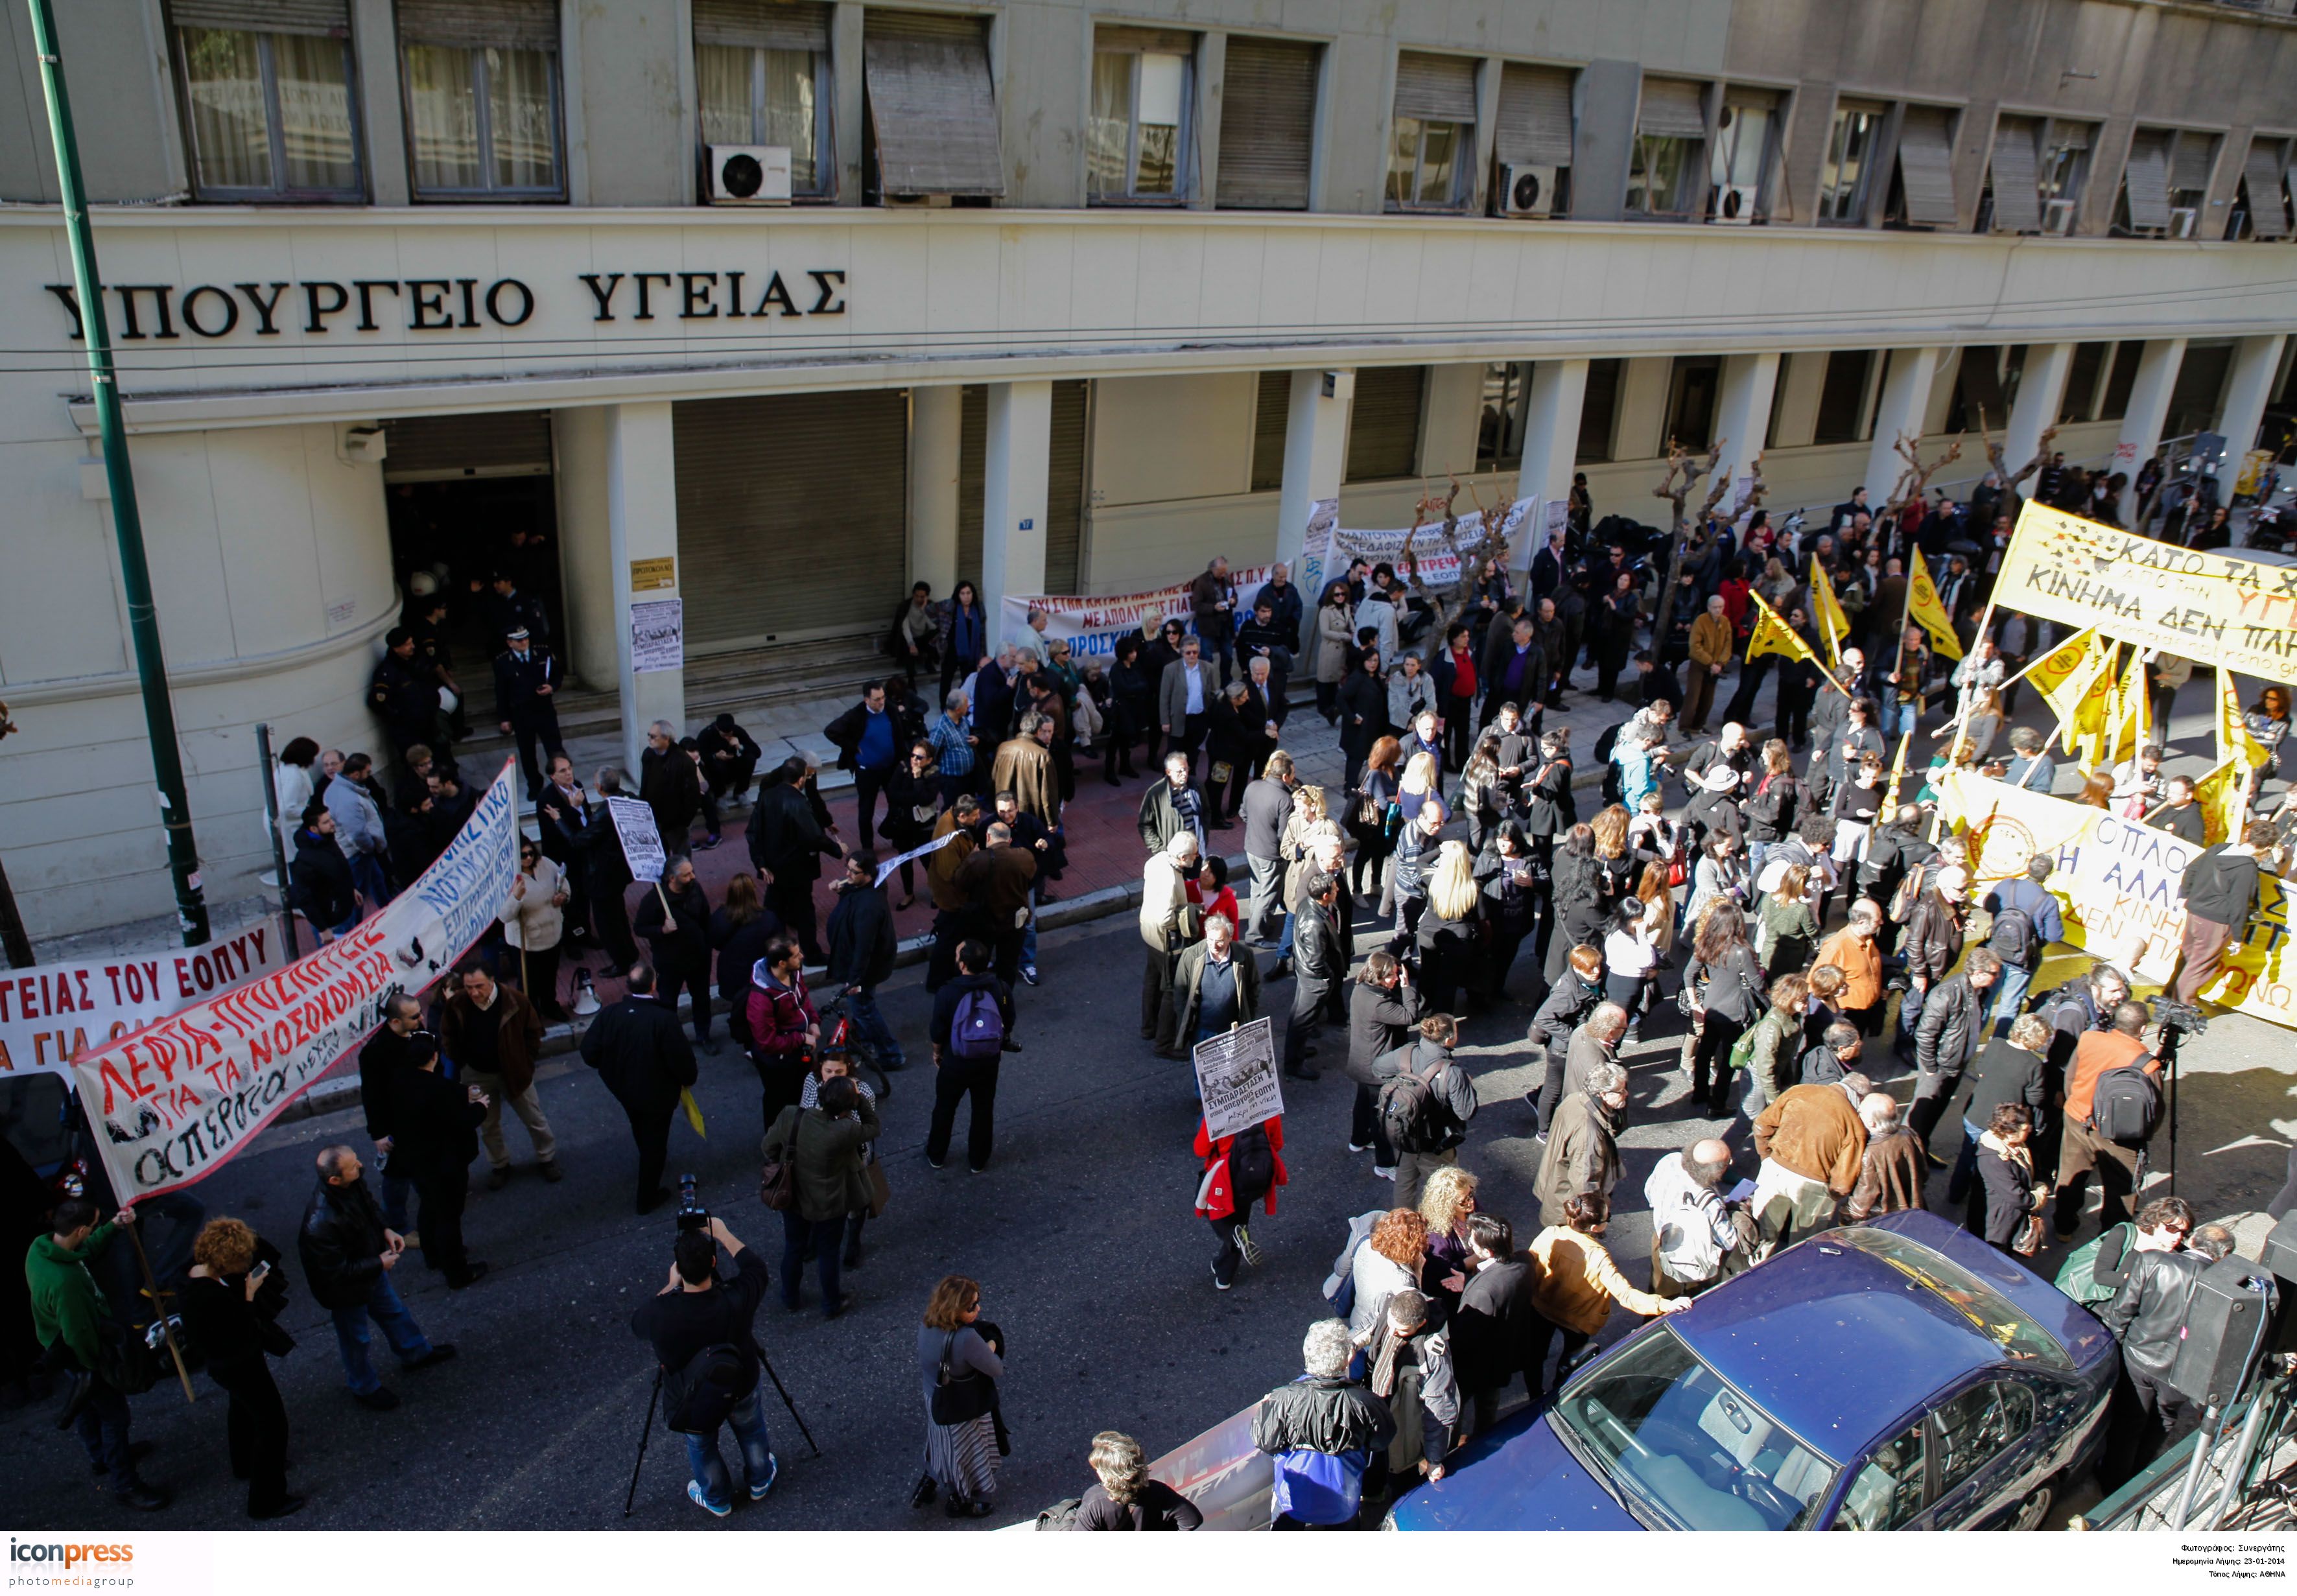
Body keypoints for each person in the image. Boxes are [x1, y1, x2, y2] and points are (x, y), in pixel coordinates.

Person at [630, 1215, 778, 1518]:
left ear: (679, 1270)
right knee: (751, 1429)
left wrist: (671, 1286)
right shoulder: (736, 1297)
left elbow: (638, 1323)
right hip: (741, 1379)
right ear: (713, 1262)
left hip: (692, 1393)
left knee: (701, 1444)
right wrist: (722, 1233)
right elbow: (757, 1269)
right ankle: (760, 1479)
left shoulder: (663, 1313)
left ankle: (717, 1498)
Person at [27, 1198, 169, 1509]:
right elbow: (79, 1334)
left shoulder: (42, 1249)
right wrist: (99, 1369)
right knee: (115, 1418)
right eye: (92, 1227)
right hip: (83, 1356)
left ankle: (100, 1456)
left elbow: (83, 1253)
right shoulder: (67, 1282)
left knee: (86, 1408)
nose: (93, 1232)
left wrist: (113, 1227)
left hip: (58, 1349)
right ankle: (126, 1484)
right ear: (79, 1230)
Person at [297, 1146, 454, 1411]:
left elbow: (369, 1206)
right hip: (345, 1289)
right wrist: (379, 1262)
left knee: (393, 1311)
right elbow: (337, 1272)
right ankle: (363, 1386)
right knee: (356, 1338)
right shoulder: (320, 1224)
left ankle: (415, 1353)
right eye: (352, 1166)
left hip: (367, 1269)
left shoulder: (349, 1185)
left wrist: (385, 1229)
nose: (360, 1166)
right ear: (334, 1180)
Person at [2099, 1210, 2236, 1487]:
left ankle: (2111, 1479)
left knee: (2129, 1420)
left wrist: (2115, 1344)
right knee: (2163, 1420)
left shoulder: (2152, 1261)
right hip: (2179, 1372)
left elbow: (2122, 1310)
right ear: (2223, 1257)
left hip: (2137, 1357)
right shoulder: (2227, 1292)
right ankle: (2135, 1475)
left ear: (2194, 1240)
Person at [180, 1217, 300, 1520]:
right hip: (238, 1364)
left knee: (242, 1409)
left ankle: (243, 1463)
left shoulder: (194, 1276)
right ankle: (266, 1501)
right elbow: (241, 1331)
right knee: (273, 1426)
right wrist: (248, 1295)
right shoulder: (211, 1297)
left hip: (225, 1366)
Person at [1526, 1193, 1687, 1400]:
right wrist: (1665, 1304)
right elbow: (1626, 1295)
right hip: (1578, 1318)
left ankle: (1534, 1394)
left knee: (1534, 1356)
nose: (1609, 1220)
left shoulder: (1550, 1235)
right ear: (1595, 1228)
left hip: (1541, 1307)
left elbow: (1530, 1268)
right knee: (1573, 1359)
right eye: (1608, 1218)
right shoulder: (1598, 1256)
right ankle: (1559, 1394)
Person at [1253, 1319, 1395, 1530]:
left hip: (1293, 1496)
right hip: (1342, 1497)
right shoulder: (1366, 1402)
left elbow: (1265, 1442)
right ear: (1349, 1357)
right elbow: (1382, 1439)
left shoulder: (1282, 1399)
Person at [580, 963, 699, 1214]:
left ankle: (646, 1154)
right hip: (658, 1095)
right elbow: (681, 1061)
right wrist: (687, 1079)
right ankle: (647, 1197)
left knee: (640, 1125)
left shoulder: (611, 1014)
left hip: (624, 1089)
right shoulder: (663, 1019)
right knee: (656, 1141)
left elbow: (590, 1053)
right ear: (653, 986)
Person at [762, 1073, 877, 1319]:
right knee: (828, 1252)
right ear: (849, 1106)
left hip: (792, 1195)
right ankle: (831, 1304)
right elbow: (873, 1127)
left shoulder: (791, 1115)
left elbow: (768, 1147)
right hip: (830, 1203)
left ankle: (790, 1298)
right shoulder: (845, 1129)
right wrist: (861, 1100)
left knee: (794, 1247)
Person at [440, 963, 561, 1189]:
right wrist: (460, 1060)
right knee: (488, 1124)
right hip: (476, 1074)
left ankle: (547, 1157)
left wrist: (525, 1063)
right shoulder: (457, 1004)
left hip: (514, 1072)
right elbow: (448, 1035)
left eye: (479, 986)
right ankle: (500, 1164)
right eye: (468, 987)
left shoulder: (516, 1001)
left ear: (492, 981)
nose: (474, 993)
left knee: (534, 1119)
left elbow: (533, 1034)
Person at [386, 1030, 491, 1288]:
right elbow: (461, 1122)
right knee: (449, 1217)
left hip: (415, 1161)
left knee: (428, 1206)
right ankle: (457, 1272)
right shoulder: (440, 1089)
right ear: (435, 1057)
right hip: (445, 1165)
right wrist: (481, 1107)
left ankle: (432, 1255)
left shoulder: (398, 1082)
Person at [2053, 1001, 2163, 1240]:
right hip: (2119, 1136)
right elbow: (2154, 1111)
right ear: (2143, 1029)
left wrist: (2077, 1105)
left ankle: (2064, 1227)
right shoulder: (2148, 1064)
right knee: (2121, 1192)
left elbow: (2070, 1078)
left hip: (2077, 1119)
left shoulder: (2089, 1039)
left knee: (2071, 1175)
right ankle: (2110, 1240)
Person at [1749, 1074, 1874, 1253]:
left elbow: (1762, 1126)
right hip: (1814, 1185)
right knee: (1803, 1244)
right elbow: (1844, 1180)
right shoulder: (1854, 1125)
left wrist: (1766, 1158)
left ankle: (1749, 1272)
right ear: (1859, 1097)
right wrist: (1833, 1195)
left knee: (1762, 1233)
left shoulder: (1799, 1091)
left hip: (1774, 1168)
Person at [914, 1275, 1006, 1518]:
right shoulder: (966, 1339)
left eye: (978, 1302)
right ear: (955, 1309)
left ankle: (933, 1477)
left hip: (936, 1399)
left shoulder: (927, 1324)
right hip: (963, 1409)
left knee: (943, 1446)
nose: (979, 1308)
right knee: (969, 1456)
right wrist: (991, 1346)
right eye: (972, 1306)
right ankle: (966, 1499)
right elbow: (995, 1368)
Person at [1358, 1286, 1462, 1491]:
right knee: (1376, 1458)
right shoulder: (1388, 1305)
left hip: (1403, 1422)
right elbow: (1368, 1326)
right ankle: (1373, 1491)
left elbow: (1439, 1412)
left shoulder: (1433, 1356)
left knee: (1400, 1474)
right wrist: (1349, 1346)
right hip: (1380, 1404)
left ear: (1421, 1324)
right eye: (1392, 1325)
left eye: (1403, 1330)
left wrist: (1434, 1459)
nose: (1394, 1333)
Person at [1371, 1014, 1479, 1211]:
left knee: (1405, 1182)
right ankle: (1442, 1228)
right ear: (1448, 1039)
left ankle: (1403, 1225)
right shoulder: (1452, 1072)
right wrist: (1468, 1086)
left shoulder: (1407, 1053)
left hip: (1405, 1132)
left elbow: (1379, 1068)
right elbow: (1465, 1112)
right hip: (1435, 1143)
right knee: (1446, 1190)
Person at [928, 939, 1016, 1173]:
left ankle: (937, 1155)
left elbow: (938, 1029)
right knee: (983, 1109)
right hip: (988, 1062)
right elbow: (1009, 1020)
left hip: (955, 1062)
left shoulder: (947, 992)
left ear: (963, 964)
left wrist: (937, 1052)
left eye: (958, 954)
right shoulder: (1001, 988)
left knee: (945, 1108)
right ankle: (978, 1160)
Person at [1948, 1013, 2053, 1208]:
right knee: (1990, 1164)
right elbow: (2035, 1098)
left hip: (1975, 1113)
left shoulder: (1996, 1044)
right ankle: (1978, 1203)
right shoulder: (2034, 1065)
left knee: (1967, 1155)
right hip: (2002, 1125)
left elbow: (1980, 1067)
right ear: (2036, 1038)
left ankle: (1955, 1193)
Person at [747, 757, 843, 964]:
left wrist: (761, 863)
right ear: (801, 779)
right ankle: (810, 954)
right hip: (797, 869)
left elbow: (753, 832)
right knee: (804, 912)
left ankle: (776, 952)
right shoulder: (798, 802)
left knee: (774, 912)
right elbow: (813, 836)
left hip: (773, 868)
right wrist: (837, 849)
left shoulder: (767, 797)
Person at [1449, 1214, 1539, 1432]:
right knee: (1489, 1405)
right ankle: (1484, 1434)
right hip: (1503, 1356)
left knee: (1455, 1408)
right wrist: (1471, 1281)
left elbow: (1465, 1337)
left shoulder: (1483, 1292)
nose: (1469, 1241)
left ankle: (1451, 1447)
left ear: (1487, 1252)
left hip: (1476, 1365)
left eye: (1473, 1239)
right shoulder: (1525, 1261)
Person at [1909, 948, 2003, 1147]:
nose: (1998, 977)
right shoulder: (1948, 994)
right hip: (1939, 1066)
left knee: (1936, 1111)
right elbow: (1925, 1034)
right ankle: (1907, 1153)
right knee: (1920, 1115)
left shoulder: (1979, 992)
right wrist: (1931, 1068)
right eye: (1994, 973)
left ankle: (1922, 1148)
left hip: (1955, 1063)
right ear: (1978, 973)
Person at [1681, 903, 1766, 1116]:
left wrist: (1695, 1004)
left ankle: (1699, 1093)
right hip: (1734, 1013)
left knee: (1705, 1051)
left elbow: (1688, 974)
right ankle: (1718, 1103)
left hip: (1712, 1006)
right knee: (1729, 1059)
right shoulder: (1741, 951)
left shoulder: (1705, 944)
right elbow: (1757, 983)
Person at [1645, 1139, 1756, 1299]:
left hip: (1662, 1238)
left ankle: (1654, 1321)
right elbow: (1727, 1240)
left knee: (1661, 1292)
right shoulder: (1711, 1204)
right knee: (1691, 1296)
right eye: (1728, 1162)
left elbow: (1650, 1191)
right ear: (1716, 1171)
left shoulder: (1670, 1160)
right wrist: (1740, 1211)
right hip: (1695, 1254)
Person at [2174, 822, 2268, 1005]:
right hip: (2216, 921)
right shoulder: (2247, 868)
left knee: (2187, 957)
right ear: (2267, 847)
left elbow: (2192, 869)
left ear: (2247, 834)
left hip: (2195, 912)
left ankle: (2170, 996)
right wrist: (2238, 938)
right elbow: (2239, 905)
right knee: (2200, 966)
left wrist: (2185, 895)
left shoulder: (2219, 848)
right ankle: (2180, 1006)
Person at [1347, 953, 1423, 1176]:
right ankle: (1385, 1164)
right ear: (1378, 974)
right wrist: (1408, 987)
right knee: (1381, 1117)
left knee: (1363, 1105)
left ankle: (1358, 1140)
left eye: (1398, 974)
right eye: (1391, 975)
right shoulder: (1380, 1002)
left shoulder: (1360, 989)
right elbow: (1410, 1016)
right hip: (1378, 1068)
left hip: (1362, 1062)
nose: (1396, 979)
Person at [1196, 1107, 1286, 1291]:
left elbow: (1201, 1150)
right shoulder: (1269, 1110)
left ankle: (1233, 1238)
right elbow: (1277, 1144)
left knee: (1220, 1219)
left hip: (1222, 1179)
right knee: (1241, 1222)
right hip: (1251, 1179)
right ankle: (1224, 1275)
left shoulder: (1217, 1114)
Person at [633, 856, 716, 1051]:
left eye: (692, 872)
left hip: (698, 958)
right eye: (687, 875)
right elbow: (640, 928)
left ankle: (703, 1035)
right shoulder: (654, 900)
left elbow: (705, 916)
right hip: (670, 962)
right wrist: (662, 930)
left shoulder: (695, 889)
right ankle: (672, 1040)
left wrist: (707, 943)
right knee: (669, 1002)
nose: (693, 877)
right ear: (672, 878)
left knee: (702, 998)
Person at [1535, 1061, 1628, 1230]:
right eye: (1621, 1091)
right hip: (1570, 1208)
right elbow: (1585, 1184)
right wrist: (1595, 1219)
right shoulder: (1589, 1135)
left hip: (1554, 1184)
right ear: (1604, 1094)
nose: (1626, 1094)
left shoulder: (1575, 1099)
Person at [1981, 854, 2064, 1035]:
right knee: (2009, 1005)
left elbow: (1987, 905)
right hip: (2022, 960)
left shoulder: (2007, 885)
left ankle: (1970, 1039)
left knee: (1984, 999)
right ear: (2048, 875)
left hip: (1995, 952)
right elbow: (2054, 936)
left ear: (2028, 868)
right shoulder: (2048, 901)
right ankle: (1997, 1047)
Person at [1527, 945, 1606, 1135]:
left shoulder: (1585, 981)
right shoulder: (1567, 993)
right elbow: (1544, 1017)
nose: (1596, 972)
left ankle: (1536, 1097)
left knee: (1559, 1085)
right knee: (1554, 1090)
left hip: (1569, 1045)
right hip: (1561, 1050)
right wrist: (1573, 1036)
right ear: (1577, 968)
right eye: (1590, 969)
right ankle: (1544, 1131)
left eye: (1597, 966)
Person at [744, 935, 819, 1129]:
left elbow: (804, 1000)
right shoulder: (762, 998)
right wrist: (802, 1038)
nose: (802, 957)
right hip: (778, 1062)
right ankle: (775, 1147)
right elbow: (768, 1042)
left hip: (799, 1052)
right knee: (778, 1104)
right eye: (796, 955)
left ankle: (798, 1133)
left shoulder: (795, 973)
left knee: (801, 1095)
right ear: (782, 963)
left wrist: (813, 1022)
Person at [1066, 1431, 1205, 1531]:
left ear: (1109, 1475)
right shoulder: (1157, 1491)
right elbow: (1192, 1521)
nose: (1097, 1472)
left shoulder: (1096, 1503)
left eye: (1099, 1469)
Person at [1140, 830, 1201, 1055]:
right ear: (1183, 858)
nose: (1197, 857)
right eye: (1194, 855)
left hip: (1148, 931)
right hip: (1164, 939)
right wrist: (1190, 913)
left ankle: (1149, 1027)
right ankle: (1165, 1044)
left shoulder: (1156, 860)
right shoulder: (1170, 879)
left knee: (1152, 979)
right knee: (1170, 989)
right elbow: (1166, 918)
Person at [1172, 913, 1262, 1062]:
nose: (1214, 946)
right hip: (1202, 1031)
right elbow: (1180, 992)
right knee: (1202, 1078)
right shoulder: (1191, 956)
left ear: (1229, 938)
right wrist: (1185, 1023)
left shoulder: (1244, 955)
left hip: (1232, 1030)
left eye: (1219, 941)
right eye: (1210, 940)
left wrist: (1249, 1019)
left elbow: (1253, 988)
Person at [499, 836, 569, 1021]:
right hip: (527, 942)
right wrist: (516, 897)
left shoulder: (545, 863)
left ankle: (550, 1006)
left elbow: (563, 883)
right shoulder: (506, 877)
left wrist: (563, 896)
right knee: (529, 983)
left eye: (531, 853)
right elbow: (505, 916)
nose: (529, 858)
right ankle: (531, 1016)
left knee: (549, 976)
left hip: (552, 934)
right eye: (523, 855)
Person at [1286, 871, 1347, 1081]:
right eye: (1335, 889)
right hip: (1313, 979)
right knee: (1301, 1021)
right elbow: (1315, 961)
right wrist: (1328, 977)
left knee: (1300, 1018)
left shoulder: (1309, 905)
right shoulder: (1314, 923)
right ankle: (1293, 1063)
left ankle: (1298, 1050)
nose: (1338, 890)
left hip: (1307, 974)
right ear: (1325, 896)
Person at [711, 873, 782, 1053]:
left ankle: (747, 1042)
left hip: (731, 972)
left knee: (740, 1008)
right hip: (758, 974)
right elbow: (777, 945)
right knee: (761, 1009)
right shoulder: (768, 918)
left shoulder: (721, 916)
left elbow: (715, 942)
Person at [1964, 1103, 2045, 1255]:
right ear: (2009, 1132)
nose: (2029, 1130)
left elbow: (2032, 1167)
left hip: (2009, 1217)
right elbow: (2015, 1195)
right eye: (2025, 1128)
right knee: (1994, 1255)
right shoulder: (1993, 1159)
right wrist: (2037, 1199)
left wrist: (2038, 1182)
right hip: (1997, 1223)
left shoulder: (2018, 1145)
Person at [492, 626, 563, 799]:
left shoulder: (543, 653)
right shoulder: (503, 662)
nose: (524, 643)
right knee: (527, 752)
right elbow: (501, 692)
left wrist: (552, 687)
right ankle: (534, 785)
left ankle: (562, 782)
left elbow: (557, 675)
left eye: (526, 639)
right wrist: (504, 718)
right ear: (510, 643)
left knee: (555, 749)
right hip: (522, 714)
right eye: (519, 640)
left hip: (544, 710)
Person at [1240, 750, 1296, 945]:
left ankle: (1260, 925)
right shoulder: (1284, 799)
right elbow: (1284, 835)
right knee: (1268, 895)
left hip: (1252, 848)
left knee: (1257, 890)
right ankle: (1255, 934)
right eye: (1292, 775)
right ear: (1285, 776)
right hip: (1271, 854)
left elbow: (1243, 813)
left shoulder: (1253, 786)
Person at [325, 753, 394, 909]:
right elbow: (356, 833)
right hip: (357, 853)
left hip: (359, 851)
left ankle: (387, 910)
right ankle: (353, 928)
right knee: (358, 897)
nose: (369, 775)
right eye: (367, 772)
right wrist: (370, 847)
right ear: (356, 774)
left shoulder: (339, 788)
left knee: (377, 882)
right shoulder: (349, 798)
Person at [1845, 1092, 1927, 1221]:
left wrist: (1847, 1216)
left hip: (1884, 1217)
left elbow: (1862, 1202)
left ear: (1872, 1123)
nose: (1858, 1113)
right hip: (1913, 1208)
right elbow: (1924, 1171)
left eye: (1860, 1112)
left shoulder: (1871, 1153)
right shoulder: (1909, 1133)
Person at [290, 803, 360, 940]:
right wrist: (323, 929)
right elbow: (304, 898)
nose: (333, 824)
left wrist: (352, 889)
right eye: (326, 822)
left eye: (331, 819)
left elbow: (341, 870)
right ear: (314, 829)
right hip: (331, 922)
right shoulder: (304, 861)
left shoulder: (328, 840)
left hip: (344, 912)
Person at [1815, 902, 1885, 1035]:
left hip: (1866, 1011)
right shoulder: (1837, 947)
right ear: (1862, 922)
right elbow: (1816, 984)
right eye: (1877, 920)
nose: (1881, 922)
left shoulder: (1868, 939)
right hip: (1848, 1014)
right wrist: (1834, 1015)